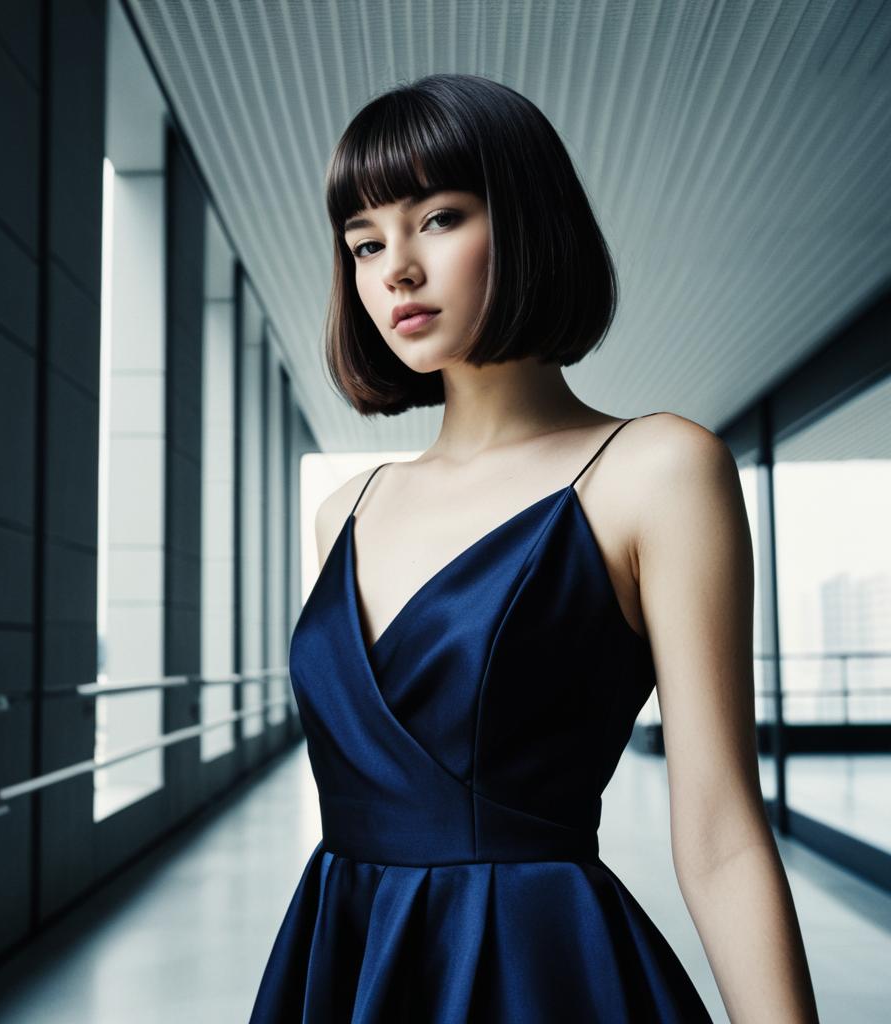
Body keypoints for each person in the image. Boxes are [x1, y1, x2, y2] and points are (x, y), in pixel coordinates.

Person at [250, 73, 819, 1023]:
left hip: (533, 969)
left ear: (524, 220)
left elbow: (719, 832)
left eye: (437, 218)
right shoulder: (346, 510)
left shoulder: (656, 470)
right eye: (363, 241)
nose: (394, 267)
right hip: (343, 955)